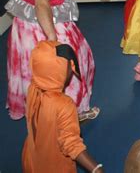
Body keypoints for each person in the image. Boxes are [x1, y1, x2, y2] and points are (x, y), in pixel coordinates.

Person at [22, 41, 104, 173]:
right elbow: (71, 144)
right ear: (57, 70)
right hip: (54, 166)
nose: (72, 71)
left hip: (31, 158)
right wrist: (96, 169)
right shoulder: (63, 104)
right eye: (68, 67)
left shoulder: (33, 87)